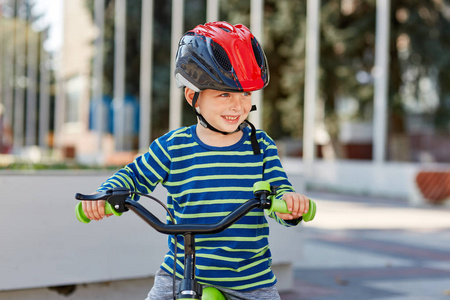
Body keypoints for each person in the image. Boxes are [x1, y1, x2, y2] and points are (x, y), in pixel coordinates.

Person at [82, 21, 310, 300]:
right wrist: (106, 195)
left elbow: (279, 192)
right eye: (224, 94)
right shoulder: (174, 146)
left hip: (250, 280)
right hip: (181, 272)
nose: (238, 106)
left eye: (245, 94)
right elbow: (133, 176)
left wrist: (289, 206)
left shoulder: (260, 145)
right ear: (193, 96)